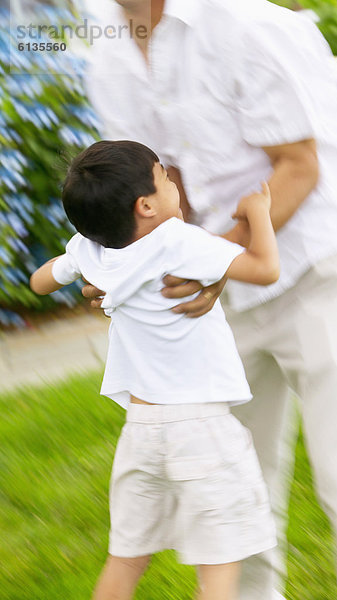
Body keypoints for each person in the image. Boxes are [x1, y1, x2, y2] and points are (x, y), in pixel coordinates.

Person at [79, 1, 337, 599]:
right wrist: (124, 267)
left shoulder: (249, 25)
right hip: (218, 293)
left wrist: (212, 261)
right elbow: (157, 190)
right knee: (234, 484)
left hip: (313, 265)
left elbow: (299, 167)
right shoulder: (110, 58)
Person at [30, 139, 280, 600]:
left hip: (141, 430)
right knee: (219, 562)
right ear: (145, 205)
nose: (172, 183)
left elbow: (40, 280)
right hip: (202, 429)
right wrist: (258, 210)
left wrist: (73, 269)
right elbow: (265, 269)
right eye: (165, 178)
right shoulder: (176, 241)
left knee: (126, 557)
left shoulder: (91, 250)